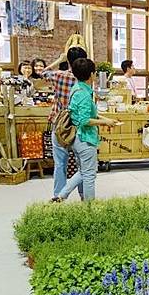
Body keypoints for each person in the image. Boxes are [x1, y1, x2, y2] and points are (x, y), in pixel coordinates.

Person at [53, 58, 119, 202]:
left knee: (83, 171)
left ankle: (61, 196)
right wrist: (105, 122)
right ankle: (89, 207)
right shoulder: (83, 94)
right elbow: (84, 120)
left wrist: (105, 119)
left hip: (77, 138)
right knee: (89, 174)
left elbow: (85, 114)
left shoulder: (77, 88)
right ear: (91, 74)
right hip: (85, 138)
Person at [43, 46, 88, 199]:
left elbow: (42, 73)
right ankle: (84, 196)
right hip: (78, 125)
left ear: (68, 60)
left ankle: (58, 196)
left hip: (60, 124)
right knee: (82, 165)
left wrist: (59, 60)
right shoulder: (85, 80)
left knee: (60, 163)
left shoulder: (58, 75)